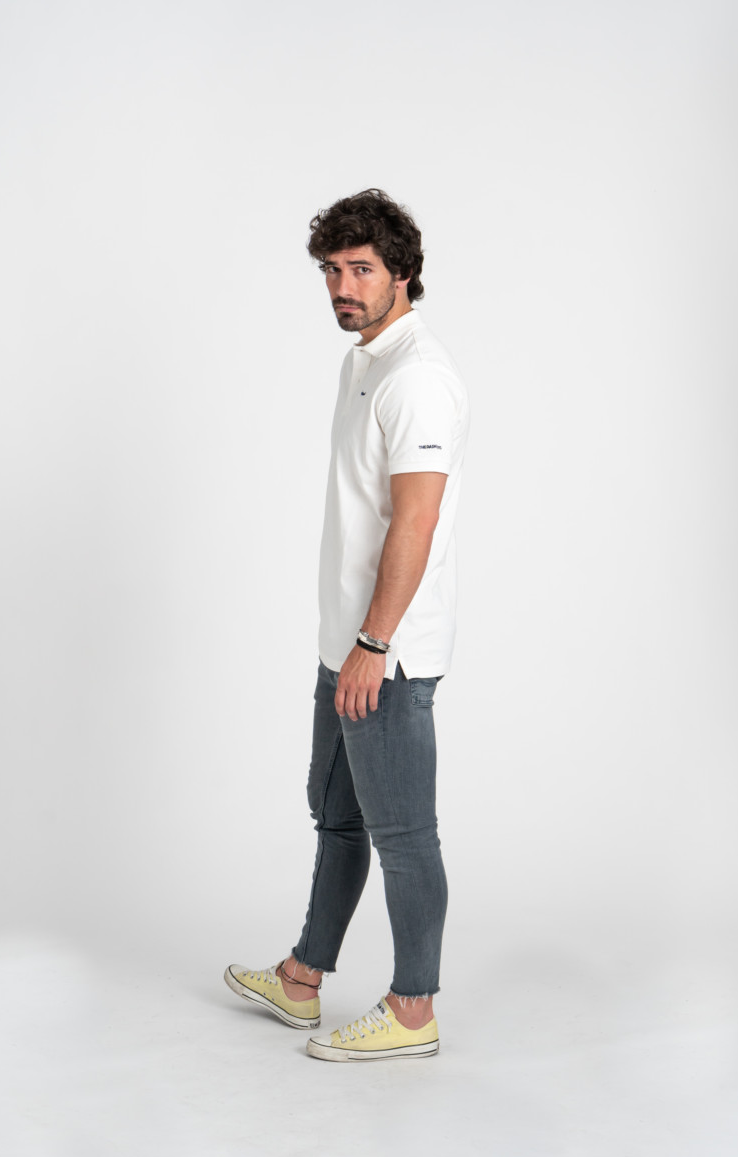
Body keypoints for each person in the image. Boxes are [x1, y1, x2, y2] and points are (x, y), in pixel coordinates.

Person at [225, 188, 469, 1062]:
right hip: (346, 646)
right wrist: (346, 645)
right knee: (335, 819)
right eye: (331, 270)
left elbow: (416, 521)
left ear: (403, 273)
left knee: (403, 836)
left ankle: (413, 1010)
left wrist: (373, 644)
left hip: (385, 656)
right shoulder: (364, 359)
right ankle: (302, 980)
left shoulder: (418, 378)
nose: (343, 287)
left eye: (361, 269)